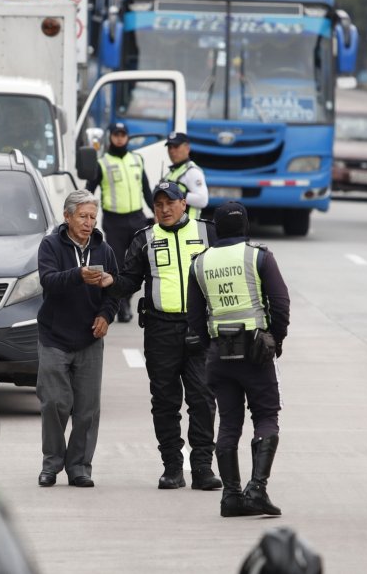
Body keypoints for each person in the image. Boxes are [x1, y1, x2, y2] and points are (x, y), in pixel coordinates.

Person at [103, 181, 221, 490]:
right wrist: (109, 282)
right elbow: (129, 281)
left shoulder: (208, 232)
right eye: (158, 205)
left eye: (170, 203)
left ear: (184, 203)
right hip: (160, 330)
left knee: (202, 399)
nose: (164, 209)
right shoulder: (144, 238)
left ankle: (203, 468)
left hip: (199, 329)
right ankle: (172, 467)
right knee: (165, 402)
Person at [187, 201, 291, 517]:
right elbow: (281, 304)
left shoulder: (200, 263)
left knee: (229, 423)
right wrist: (276, 340)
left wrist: (212, 344)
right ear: (244, 225)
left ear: (217, 228)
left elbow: (195, 317)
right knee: (266, 415)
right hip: (256, 351)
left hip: (220, 353)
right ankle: (257, 488)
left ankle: (231, 496)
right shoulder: (258, 256)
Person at [35, 189, 119, 489]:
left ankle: (80, 467)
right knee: (54, 403)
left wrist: (106, 316)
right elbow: (48, 281)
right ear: (67, 216)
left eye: (93, 217)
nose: (88, 223)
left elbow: (114, 291)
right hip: (54, 337)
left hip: (89, 338)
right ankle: (51, 464)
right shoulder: (50, 245)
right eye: (83, 216)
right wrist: (78, 275)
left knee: (87, 410)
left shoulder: (104, 250)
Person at [85, 122, 155, 323]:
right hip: (114, 220)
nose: (119, 138)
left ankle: (126, 301)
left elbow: (146, 190)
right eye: (116, 134)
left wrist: (156, 211)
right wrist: (87, 214)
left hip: (137, 218)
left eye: (123, 134)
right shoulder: (102, 163)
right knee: (117, 264)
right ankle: (119, 305)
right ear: (110, 137)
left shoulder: (137, 159)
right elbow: (89, 191)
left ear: (127, 137)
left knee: (137, 263)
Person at [161, 132, 209, 219]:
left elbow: (203, 200)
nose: (172, 151)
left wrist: (176, 194)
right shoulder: (171, 172)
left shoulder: (192, 171)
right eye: (169, 147)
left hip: (189, 225)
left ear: (187, 148)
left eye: (176, 146)